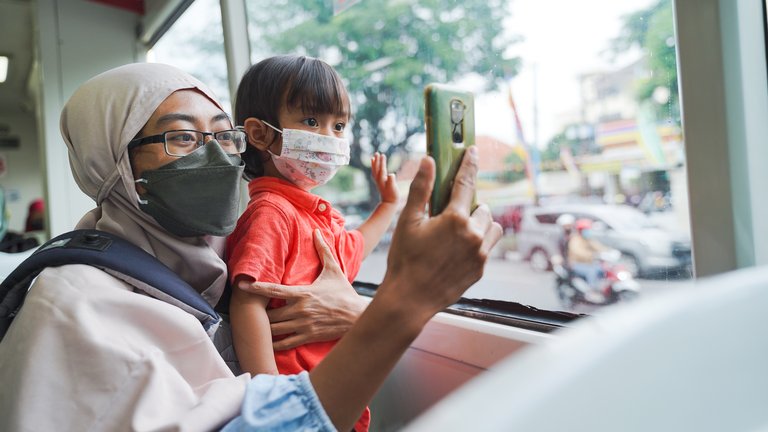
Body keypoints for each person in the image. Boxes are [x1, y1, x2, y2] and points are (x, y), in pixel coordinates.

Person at [0, 62, 501, 432]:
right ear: (109, 161)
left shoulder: (213, 255)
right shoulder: (73, 307)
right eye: (182, 138)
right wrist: (406, 301)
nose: (217, 157)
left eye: (224, 137)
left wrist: (355, 314)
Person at [226, 55, 397, 431]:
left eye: (338, 125)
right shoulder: (273, 212)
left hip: (327, 396)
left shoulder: (312, 213)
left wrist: (387, 206)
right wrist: (270, 394)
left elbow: (351, 251)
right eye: (310, 121)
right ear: (259, 135)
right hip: (294, 399)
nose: (330, 138)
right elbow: (247, 303)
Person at [567, 218, 608, 289]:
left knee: (603, 269)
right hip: (577, 264)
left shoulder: (588, 239)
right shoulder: (575, 240)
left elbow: (598, 246)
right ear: (580, 230)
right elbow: (577, 252)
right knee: (592, 272)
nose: (588, 231)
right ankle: (591, 290)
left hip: (589, 263)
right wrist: (592, 255)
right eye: (586, 229)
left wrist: (609, 251)